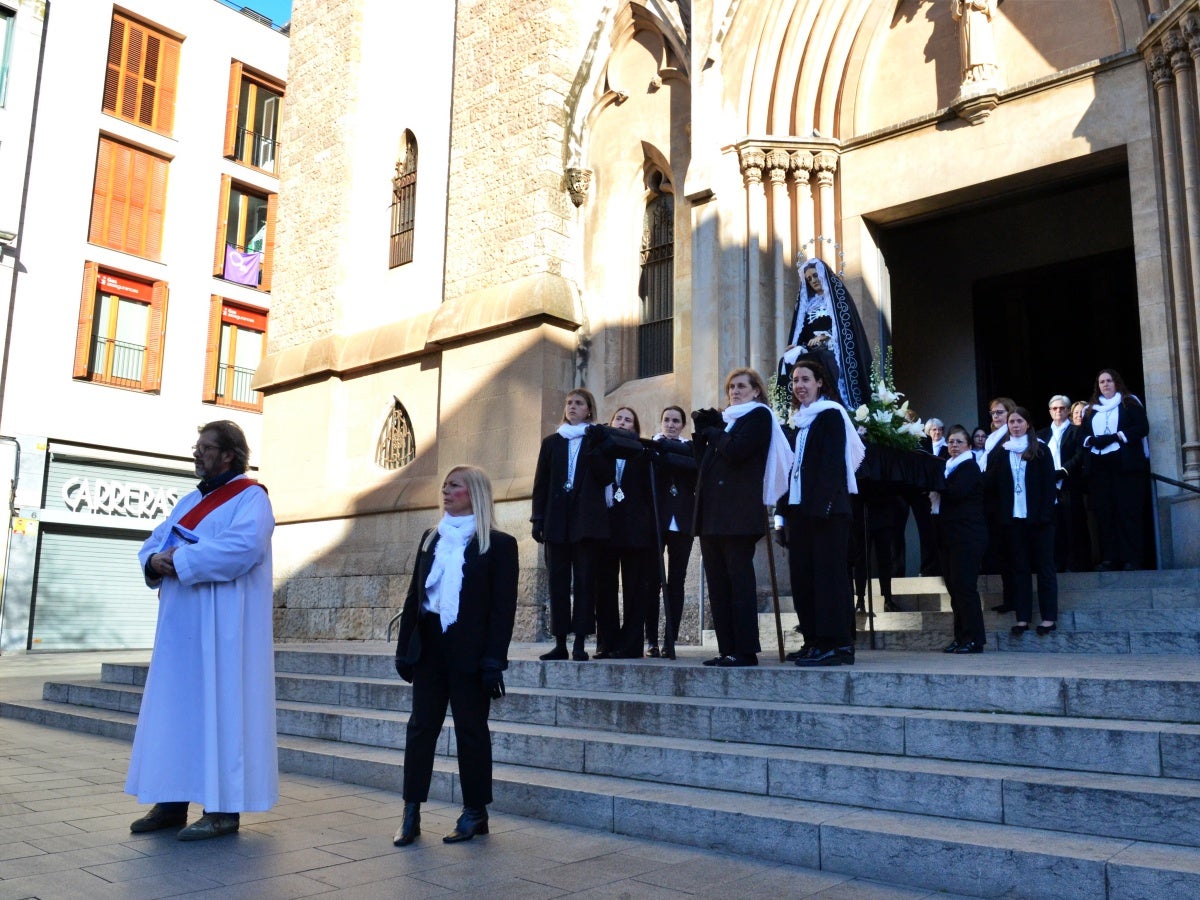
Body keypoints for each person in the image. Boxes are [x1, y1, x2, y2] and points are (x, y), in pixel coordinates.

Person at [126, 421, 277, 841]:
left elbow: (242, 549)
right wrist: (154, 560)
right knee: (177, 713)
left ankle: (223, 811)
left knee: (221, 710)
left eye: (205, 447)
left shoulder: (251, 499)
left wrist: (180, 560)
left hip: (223, 631)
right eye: (198, 446)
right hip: (181, 632)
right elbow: (154, 543)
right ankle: (172, 803)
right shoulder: (188, 501)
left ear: (229, 455)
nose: (197, 452)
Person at [393, 466, 517, 846]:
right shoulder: (431, 539)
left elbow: (503, 610)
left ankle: (475, 812)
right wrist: (404, 650)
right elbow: (415, 597)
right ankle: (411, 812)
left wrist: (494, 660)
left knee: (471, 731)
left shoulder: (498, 543)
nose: (445, 491)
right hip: (430, 647)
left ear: (474, 493)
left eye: (455, 486)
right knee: (420, 729)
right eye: (444, 485)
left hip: (471, 651)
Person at [692, 368, 793, 667]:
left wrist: (714, 433)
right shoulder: (728, 422)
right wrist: (702, 433)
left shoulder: (759, 417)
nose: (734, 391)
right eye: (730, 387)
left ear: (756, 390)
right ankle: (727, 648)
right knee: (718, 584)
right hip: (712, 515)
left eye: (741, 386)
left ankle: (745, 650)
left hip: (738, 514)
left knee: (739, 582)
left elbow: (738, 451)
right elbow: (703, 465)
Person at [776, 360, 866, 666]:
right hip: (801, 512)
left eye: (805, 379)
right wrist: (783, 513)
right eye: (795, 381)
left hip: (827, 512)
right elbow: (792, 469)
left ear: (820, 383)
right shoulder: (799, 421)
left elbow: (832, 465)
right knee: (803, 578)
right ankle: (813, 640)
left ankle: (836, 643)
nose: (799, 385)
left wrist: (823, 506)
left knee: (829, 578)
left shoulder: (830, 415)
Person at [531, 389, 608, 661]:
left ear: (589, 409)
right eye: (569, 403)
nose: (572, 407)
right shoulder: (552, 442)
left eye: (578, 403)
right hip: (557, 520)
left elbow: (605, 476)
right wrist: (537, 517)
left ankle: (580, 643)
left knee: (586, 581)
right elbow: (541, 483)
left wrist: (598, 447)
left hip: (585, 522)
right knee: (557, 582)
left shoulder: (597, 439)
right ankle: (560, 642)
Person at [592, 407, 657, 659]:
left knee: (634, 587)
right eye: (618, 418)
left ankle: (629, 645)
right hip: (605, 529)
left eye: (628, 420)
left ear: (635, 427)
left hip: (634, 530)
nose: (622, 422)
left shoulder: (641, 453)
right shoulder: (600, 451)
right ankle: (606, 642)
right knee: (604, 587)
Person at [986, 408, 1058, 637]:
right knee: (1020, 570)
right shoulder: (1000, 453)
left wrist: (1045, 515)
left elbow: (1049, 486)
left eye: (1019, 421)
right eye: (1011, 422)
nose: (1015, 425)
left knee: (1045, 568)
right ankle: (1023, 618)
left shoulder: (1041, 450)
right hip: (1013, 521)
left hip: (1039, 520)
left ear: (1028, 424)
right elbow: (993, 488)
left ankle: (1048, 618)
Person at [778, 258, 874, 411]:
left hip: (835, 349)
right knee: (786, 360)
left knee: (823, 358)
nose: (813, 280)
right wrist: (796, 346)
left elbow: (847, 330)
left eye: (815, 275)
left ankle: (832, 401)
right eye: (809, 279)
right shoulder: (808, 305)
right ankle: (789, 409)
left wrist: (826, 337)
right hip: (812, 350)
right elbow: (802, 334)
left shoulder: (839, 301)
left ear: (823, 274)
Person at [1081, 368, 1150, 571]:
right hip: (1100, 468)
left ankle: (1132, 558)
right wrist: (1092, 440)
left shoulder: (1129, 403)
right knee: (1105, 513)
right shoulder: (1092, 410)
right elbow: (1081, 435)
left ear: (1116, 382)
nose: (1106, 385)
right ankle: (1110, 557)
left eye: (1109, 380)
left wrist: (1117, 436)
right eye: (1101, 382)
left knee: (1127, 512)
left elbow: (1142, 428)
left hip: (1125, 466)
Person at [930, 425, 987, 653]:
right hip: (950, 537)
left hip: (967, 537)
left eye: (958, 442)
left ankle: (974, 639)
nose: (953, 445)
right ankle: (961, 637)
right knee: (955, 590)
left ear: (969, 447)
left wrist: (935, 483)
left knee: (965, 588)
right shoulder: (947, 468)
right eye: (951, 442)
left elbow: (956, 493)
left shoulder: (969, 467)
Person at [650, 406, 697, 659]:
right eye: (666, 420)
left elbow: (694, 467)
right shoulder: (651, 448)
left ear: (682, 426)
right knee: (653, 581)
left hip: (682, 522)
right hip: (657, 521)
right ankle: (651, 640)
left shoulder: (689, 448)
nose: (670, 424)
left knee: (676, 581)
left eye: (675, 421)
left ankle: (670, 639)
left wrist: (667, 454)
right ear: (661, 422)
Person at [1038, 395, 1083, 572]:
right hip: (1048, 486)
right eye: (1055, 408)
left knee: (1072, 524)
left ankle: (1074, 563)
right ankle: (1056, 562)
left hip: (1069, 483)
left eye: (1062, 408)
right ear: (1050, 412)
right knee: (1053, 526)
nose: (1058, 411)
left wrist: (1064, 471)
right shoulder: (1041, 434)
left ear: (1067, 411)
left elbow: (1079, 455)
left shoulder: (1076, 431)